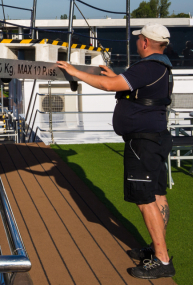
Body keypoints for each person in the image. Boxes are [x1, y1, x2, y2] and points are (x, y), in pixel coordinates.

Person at [56, 23, 175, 279]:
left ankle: (162, 260)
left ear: (145, 42)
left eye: (139, 39)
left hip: (143, 142)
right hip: (155, 138)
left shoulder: (147, 67)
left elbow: (109, 87)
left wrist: (76, 72)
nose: (137, 42)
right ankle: (157, 248)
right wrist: (115, 76)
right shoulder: (162, 66)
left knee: (145, 200)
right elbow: (129, 87)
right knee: (157, 195)